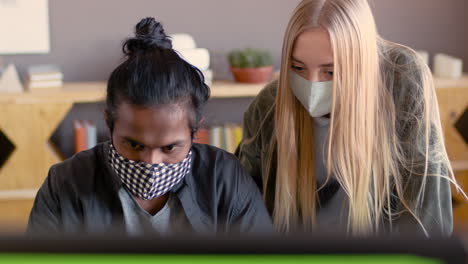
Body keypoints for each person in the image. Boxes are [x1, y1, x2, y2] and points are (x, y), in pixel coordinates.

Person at [27, 17, 273, 236]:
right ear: (108, 122)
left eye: (169, 148)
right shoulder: (65, 184)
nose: (151, 163)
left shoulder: (226, 179)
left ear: (195, 131)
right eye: (133, 144)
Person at [236, 0, 462, 236]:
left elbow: (426, 220)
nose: (313, 84)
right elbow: (240, 211)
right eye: (298, 68)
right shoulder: (269, 106)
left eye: (331, 72)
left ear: (361, 64)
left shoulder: (402, 82)